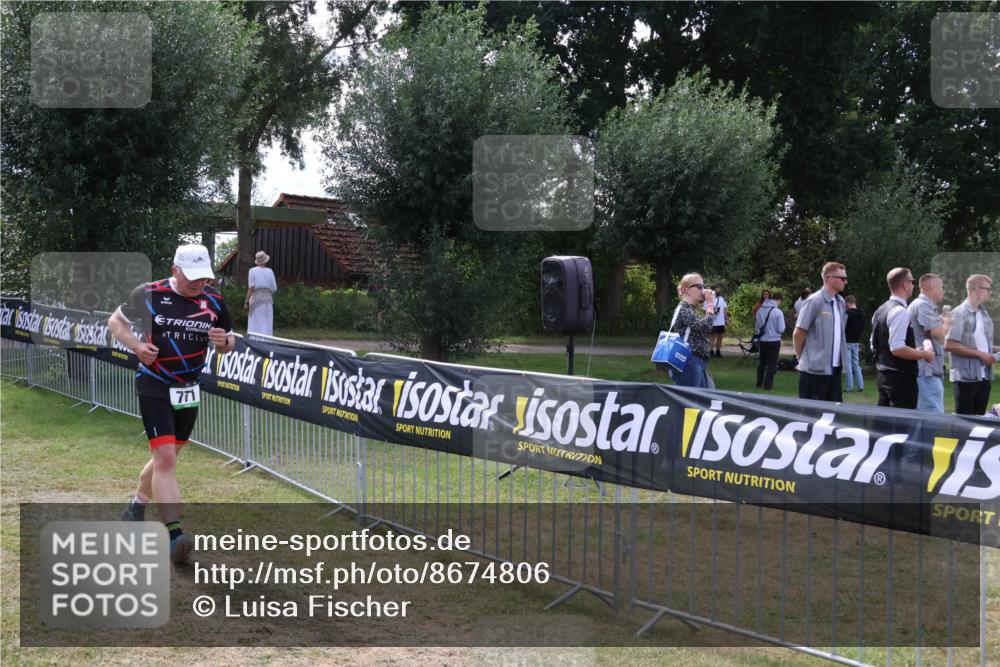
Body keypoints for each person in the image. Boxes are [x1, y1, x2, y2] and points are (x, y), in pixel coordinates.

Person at [109, 244, 236, 564]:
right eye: (192, 278)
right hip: (154, 384)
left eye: (204, 278)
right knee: (165, 458)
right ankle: (175, 536)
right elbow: (116, 323)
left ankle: (135, 507)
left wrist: (224, 343)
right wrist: (138, 347)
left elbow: (230, 340)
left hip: (188, 388)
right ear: (175, 269)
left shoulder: (214, 300)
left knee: (166, 458)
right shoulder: (148, 293)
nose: (199, 285)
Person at [870, 268, 933, 409]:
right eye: (912, 281)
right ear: (905, 285)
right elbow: (897, 348)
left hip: (883, 375)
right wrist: (925, 354)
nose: (913, 285)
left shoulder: (880, 310)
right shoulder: (900, 311)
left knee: (883, 426)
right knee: (902, 427)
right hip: (901, 379)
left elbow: (874, 344)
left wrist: (913, 350)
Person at [794, 262, 850, 402]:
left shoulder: (840, 302)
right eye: (842, 278)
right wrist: (803, 359)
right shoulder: (814, 301)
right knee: (811, 418)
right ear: (830, 278)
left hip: (834, 371)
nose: (845, 281)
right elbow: (798, 333)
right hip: (814, 372)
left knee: (833, 418)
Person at [945, 274, 998, 416]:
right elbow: (950, 345)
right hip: (965, 378)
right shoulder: (959, 313)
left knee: (979, 423)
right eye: (988, 289)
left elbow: (980, 344)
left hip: (984, 377)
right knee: (963, 424)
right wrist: (981, 355)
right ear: (976, 290)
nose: (990, 292)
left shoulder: (984, 313)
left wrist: (995, 350)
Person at [667, 273, 718, 388]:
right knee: (691, 402)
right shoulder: (683, 309)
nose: (703, 290)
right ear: (687, 290)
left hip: (696, 363)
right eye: (700, 287)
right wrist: (710, 305)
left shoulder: (690, 310)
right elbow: (705, 327)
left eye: (704, 286)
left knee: (700, 402)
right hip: (689, 362)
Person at [908, 273, 950, 412]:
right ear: (932, 288)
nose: (944, 290)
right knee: (933, 418)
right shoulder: (923, 306)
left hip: (929, 370)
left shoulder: (925, 306)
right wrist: (947, 323)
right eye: (942, 287)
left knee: (923, 419)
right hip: (926, 371)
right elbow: (938, 333)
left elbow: (941, 338)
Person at [755, 292, 785, 390]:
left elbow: (757, 326)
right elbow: (781, 329)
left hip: (763, 340)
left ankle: (759, 382)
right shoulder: (778, 312)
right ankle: (767, 385)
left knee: (762, 363)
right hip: (774, 340)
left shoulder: (760, 310)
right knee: (772, 364)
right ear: (778, 300)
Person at [246, 250, 277, 336]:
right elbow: (274, 288)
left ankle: (255, 340)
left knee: (256, 322)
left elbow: (251, 288)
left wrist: (246, 301)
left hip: (256, 299)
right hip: (268, 300)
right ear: (265, 261)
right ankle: (267, 340)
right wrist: (266, 293)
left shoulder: (252, 271)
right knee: (267, 321)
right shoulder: (270, 271)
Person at [843, 295, 866, 392]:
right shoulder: (861, 314)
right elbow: (862, 328)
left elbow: (843, 327)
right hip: (856, 341)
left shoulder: (847, 314)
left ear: (848, 303)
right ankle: (861, 386)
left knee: (848, 365)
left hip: (847, 341)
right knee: (856, 364)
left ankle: (849, 387)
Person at [709, 286, 727, 357]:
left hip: (721, 322)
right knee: (712, 337)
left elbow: (724, 309)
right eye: (717, 289)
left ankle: (718, 351)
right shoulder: (709, 299)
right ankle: (711, 351)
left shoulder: (721, 299)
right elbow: (706, 309)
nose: (718, 290)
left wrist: (726, 319)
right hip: (712, 321)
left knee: (720, 337)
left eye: (718, 289)